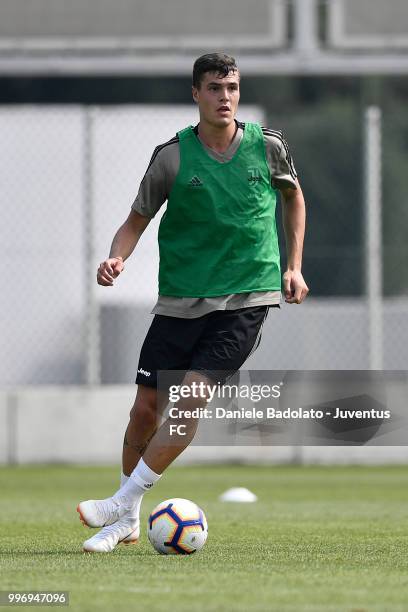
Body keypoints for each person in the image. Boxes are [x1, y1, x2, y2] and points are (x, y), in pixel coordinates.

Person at [77, 52, 309, 552]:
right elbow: (135, 220)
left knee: (190, 400)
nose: (225, 97)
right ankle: (129, 518)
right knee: (144, 409)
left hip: (247, 298)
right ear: (196, 95)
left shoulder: (267, 147)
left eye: (232, 87)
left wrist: (292, 265)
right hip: (180, 301)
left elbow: (293, 197)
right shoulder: (172, 156)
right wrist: (116, 259)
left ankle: (121, 502)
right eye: (215, 89)